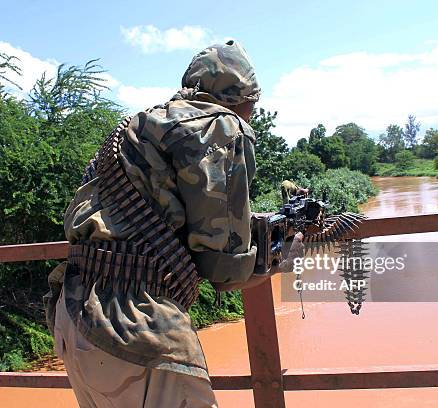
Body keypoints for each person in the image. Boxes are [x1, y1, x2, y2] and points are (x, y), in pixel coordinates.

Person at [43, 40, 303, 407]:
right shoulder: (220, 125)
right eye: (253, 104)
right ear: (240, 97)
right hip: (135, 332)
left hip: (74, 314)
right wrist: (282, 260)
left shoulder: (138, 125)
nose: (253, 114)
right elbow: (226, 275)